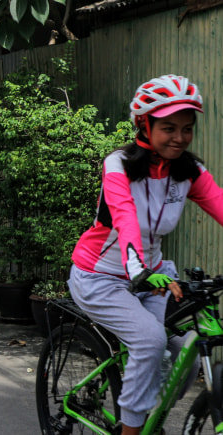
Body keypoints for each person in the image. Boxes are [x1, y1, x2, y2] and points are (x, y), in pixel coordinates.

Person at [68, 75, 223, 435]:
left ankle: (146, 408)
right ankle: (132, 429)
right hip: (99, 276)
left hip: (154, 276)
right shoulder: (118, 164)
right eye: (168, 127)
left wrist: (147, 273)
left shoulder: (187, 171)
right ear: (144, 124)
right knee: (151, 341)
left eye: (187, 128)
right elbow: (125, 219)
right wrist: (138, 271)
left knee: (189, 344)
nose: (180, 137)